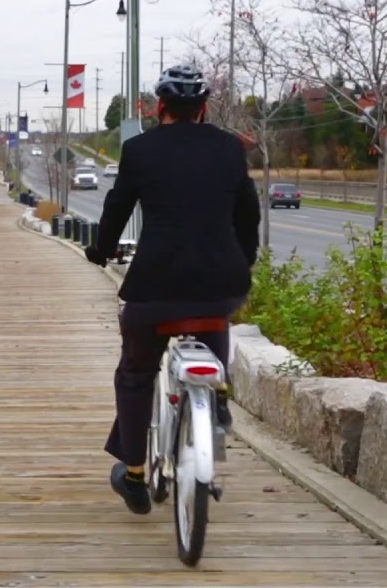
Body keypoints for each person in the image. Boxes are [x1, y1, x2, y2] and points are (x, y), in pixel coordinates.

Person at [84, 65, 260, 515]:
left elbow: (118, 206)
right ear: (203, 109)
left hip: (156, 284)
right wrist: (245, 259)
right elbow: (247, 215)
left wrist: (100, 251)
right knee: (214, 331)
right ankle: (216, 402)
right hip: (221, 282)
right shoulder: (229, 149)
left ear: (160, 106)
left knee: (137, 373)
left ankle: (136, 474)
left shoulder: (140, 150)